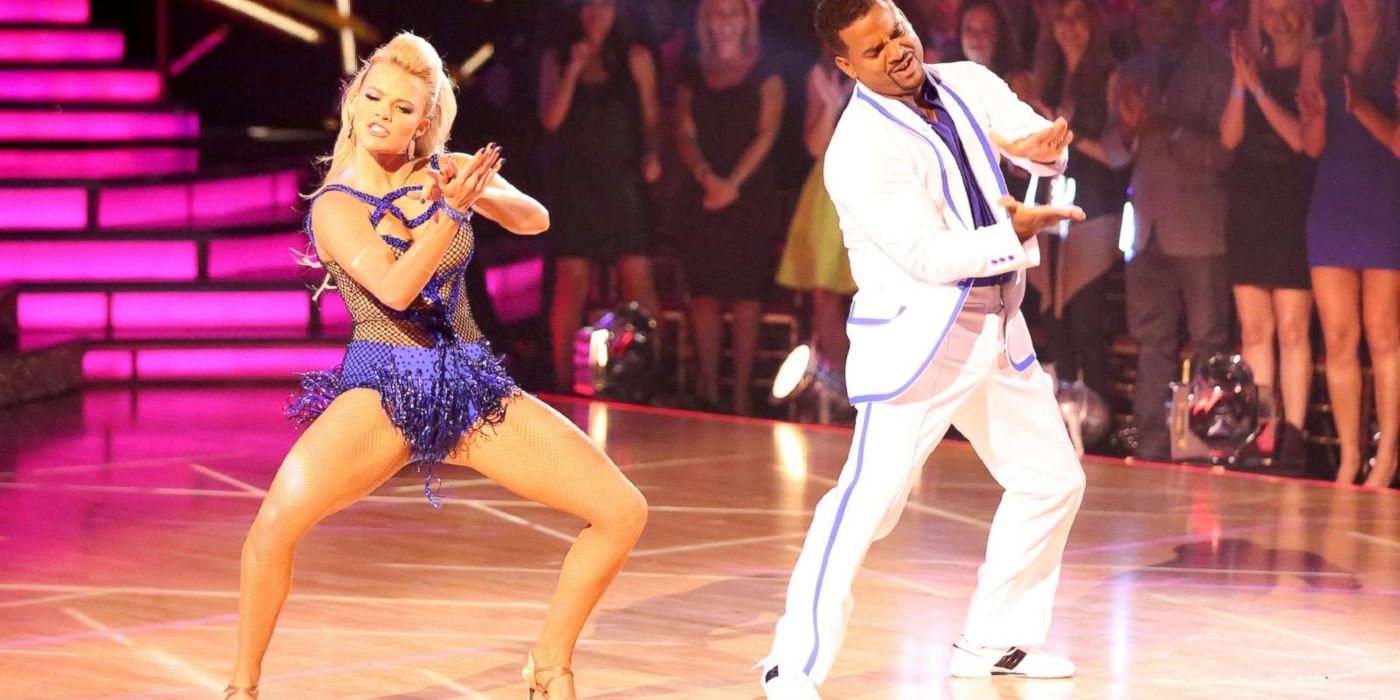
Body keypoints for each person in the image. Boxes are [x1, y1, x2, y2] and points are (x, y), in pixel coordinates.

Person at [223, 33, 647, 700]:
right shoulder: (335, 207)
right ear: (353, 100)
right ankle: (242, 689)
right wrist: (449, 211)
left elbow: (535, 220)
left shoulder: (440, 169)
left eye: (403, 107)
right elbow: (393, 291)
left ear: (425, 121)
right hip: (383, 387)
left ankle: (549, 663)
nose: (384, 115)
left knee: (622, 511)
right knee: (273, 528)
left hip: (470, 382)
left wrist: (476, 191)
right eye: (374, 98)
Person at [759, 1, 1087, 696]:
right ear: (846, 65)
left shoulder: (963, 79)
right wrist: (1017, 232)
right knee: (866, 504)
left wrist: (1043, 143)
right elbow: (927, 255)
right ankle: (792, 663)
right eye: (874, 49)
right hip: (919, 339)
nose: (897, 51)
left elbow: (1022, 128)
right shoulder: (856, 150)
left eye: (898, 32)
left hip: (995, 324)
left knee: (1052, 480)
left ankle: (997, 641)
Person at [1102, 0, 1234, 461]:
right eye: (1153, 11)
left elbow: (1227, 155)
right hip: (1145, 228)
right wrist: (1130, 126)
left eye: (1172, 10)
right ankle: (1152, 443)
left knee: (1208, 338)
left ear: (1191, 12)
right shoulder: (1133, 69)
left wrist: (1173, 128)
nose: (1163, 18)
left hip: (1200, 226)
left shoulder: (1218, 67)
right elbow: (1115, 153)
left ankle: (1201, 444)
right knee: (1150, 340)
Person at [1299, 0, 1400, 487]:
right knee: (1339, 337)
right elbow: (1312, 145)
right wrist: (1316, 115)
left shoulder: (1396, 51)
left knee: (1383, 334)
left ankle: (1386, 457)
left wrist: (1360, 106)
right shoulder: (1321, 54)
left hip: (1386, 202)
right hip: (1334, 202)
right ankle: (1348, 454)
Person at [540, 0, 663, 393]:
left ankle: (648, 377)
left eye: (605, 5)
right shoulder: (557, 57)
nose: (596, 12)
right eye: (589, 5)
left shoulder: (636, 57)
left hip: (622, 181)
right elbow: (551, 120)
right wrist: (573, 71)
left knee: (637, 279)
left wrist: (653, 155)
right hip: (575, 184)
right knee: (571, 278)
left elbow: (652, 119)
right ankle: (564, 382)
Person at [1218, 0, 1317, 469]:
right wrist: (1242, 81)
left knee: (1293, 329)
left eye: (1287, 8)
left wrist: (1257, 89)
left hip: (1294, 205)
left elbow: (1301, 139)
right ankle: (1260, 430)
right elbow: (1230, 138)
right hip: (1248, 209)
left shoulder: (1313, 64)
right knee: (1255, 329)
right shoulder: (1249, 66)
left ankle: (1293, 437)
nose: (1278, 17)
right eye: (1269, 9)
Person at [676, 0, 785, 416]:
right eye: (716, 14)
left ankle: (739, 394)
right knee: (703, 292)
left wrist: (731, 185)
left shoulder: (766, 68)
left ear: (747, 19)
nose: (724, 23)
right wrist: (707, 178)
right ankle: (709, 388)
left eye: (732, 13)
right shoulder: (693, 69)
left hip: (748, 196)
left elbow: (767, 132)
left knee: (745, 294)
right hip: (702, 193)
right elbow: (684, 132)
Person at [1027, 0, 1128, 400]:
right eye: (1061, 19)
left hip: (1094, 208)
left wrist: (1065, 131)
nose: (1068, 27)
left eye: (1078, 18)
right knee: (1054, 320)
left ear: (1093, 23)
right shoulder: (1043, 79)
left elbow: (1117, 153)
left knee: (1086, 321)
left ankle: (1097, 418)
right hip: (1048, 207)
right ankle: (1063, 419)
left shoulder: (1111, 76)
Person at [775, 60, 857, 376]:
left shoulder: (896, 63)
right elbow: (814, 145)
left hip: (882, 183)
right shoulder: (823, 73)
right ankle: (839, 393)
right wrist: (832, 105)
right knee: (825, 292)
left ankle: (882, 393)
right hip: (832, 189)